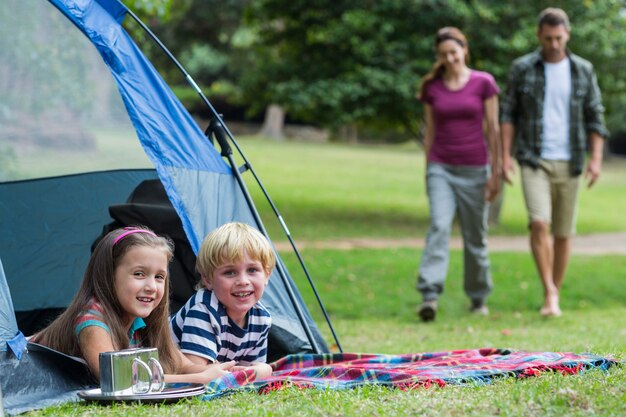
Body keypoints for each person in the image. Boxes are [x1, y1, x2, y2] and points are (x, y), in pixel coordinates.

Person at [500, 8, 607, 317]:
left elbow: (595, 116)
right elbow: (508, 114)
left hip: (571, 159)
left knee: (562, 233)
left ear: (568, 35)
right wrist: (505, 156)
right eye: (548, 38)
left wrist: (596, 158)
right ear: (539, 36)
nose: (554, 44)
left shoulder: (583, 70)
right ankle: (549, 290)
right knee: (538, 222)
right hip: (534, 158)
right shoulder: (522, 68)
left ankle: (553, 294)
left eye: (559, 38)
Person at [30, 226, 235, 383]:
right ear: (109, 276)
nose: (151, 286)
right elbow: (118, 379)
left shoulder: (142, 319)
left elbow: (182, 364)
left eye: (159, 277)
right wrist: (198, 380)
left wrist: (224, 371)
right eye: (139, 274)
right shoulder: (91, 321)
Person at [415, 27, 501, 322]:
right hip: (441, 167)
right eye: (443, 54)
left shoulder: (484, 83)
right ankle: (430, 295)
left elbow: (494, 128)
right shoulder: (432, 87)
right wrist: (428, 168)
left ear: (465, 49)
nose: (450, 58)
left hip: (476, 168)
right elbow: (430, 131)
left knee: (475, 236)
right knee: (439, 226)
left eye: (454, 52)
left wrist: (497, 171)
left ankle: (478, 297)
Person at [170, 222, 275, 379]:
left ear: (267, 274)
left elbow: (250, 371)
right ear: (208, 279)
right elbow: (194, 370)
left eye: (252, 270)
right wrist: (257, 371)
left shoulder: (261, 318)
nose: (243, 281)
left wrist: (262, 370)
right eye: (230, 272)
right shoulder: (203, 309)